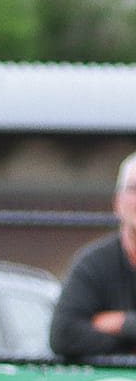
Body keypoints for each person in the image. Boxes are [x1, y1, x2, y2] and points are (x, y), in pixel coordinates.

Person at [50, 152, 136, 360]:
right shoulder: (93, 264)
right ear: (117, 201)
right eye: (134, 189)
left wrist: (116, 322)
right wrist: (128, 340)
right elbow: (63, 336)